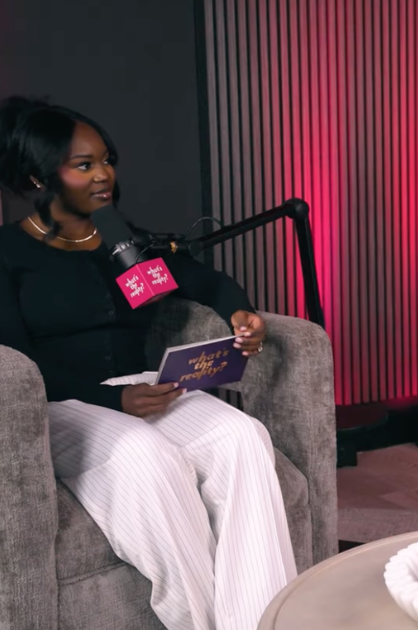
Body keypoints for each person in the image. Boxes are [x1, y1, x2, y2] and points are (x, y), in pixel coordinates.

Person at [0, 96, 296, 630]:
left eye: (106, 160)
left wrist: (240, 312)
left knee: (243, 437)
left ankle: (264, 622)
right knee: (148, 458)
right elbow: (17, 366)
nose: (103, 175)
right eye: (84, 164)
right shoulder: (7, 253)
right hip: (57, 403)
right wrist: (113, 400)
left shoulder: (120, 239)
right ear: (39, 178)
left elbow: (204, 280)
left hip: (141, 386)